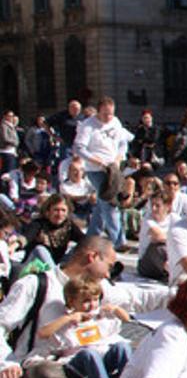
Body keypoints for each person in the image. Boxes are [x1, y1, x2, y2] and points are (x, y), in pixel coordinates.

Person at [30, 278, 132, 378]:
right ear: (72, 302)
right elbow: (43, 333)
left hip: (102, 362)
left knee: (122, 346)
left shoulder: (99, 317)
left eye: (95, 300)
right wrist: (67, 319)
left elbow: (127, 319)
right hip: (79, 366)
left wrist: (115, 309)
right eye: (86, 302)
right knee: (89, 354)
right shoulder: (68, 320)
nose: (92, 305)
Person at [74, 97, 129, 249]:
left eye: (111, 114)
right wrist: (96, 160)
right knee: (110, 202)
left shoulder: (115, 122)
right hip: (95, 169)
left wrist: (119, 157)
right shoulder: (88, 125)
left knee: (101, 204)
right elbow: (79, 148)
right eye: (105, 114)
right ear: (98, 111)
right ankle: (119, 240)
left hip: (113, 168)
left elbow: (123, 142)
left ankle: (92, 234)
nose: (108, 117)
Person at [22, 194, 85, 268]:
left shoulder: (69, 226)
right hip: (35, 265)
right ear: (48, 211)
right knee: (40, 249)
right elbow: (27, 237)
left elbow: (84, 240)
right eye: (56, 210)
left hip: (56, 264)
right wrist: (16, 244)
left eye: (63, 210)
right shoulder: (39, 223)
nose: (59, 214)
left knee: (79, 247)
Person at [60, 158, 97, 223]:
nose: (78, 173)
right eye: (75, 170)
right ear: (69, 172)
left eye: (80, 170)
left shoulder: (87, 183)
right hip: (75, 209)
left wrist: (93, 195)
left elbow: (95, 192)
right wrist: (86, 197)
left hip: (88, 207)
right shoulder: (64, 185)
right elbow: (70, 197)